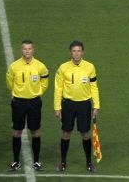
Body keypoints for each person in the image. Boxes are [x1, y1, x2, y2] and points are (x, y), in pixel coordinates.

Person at [54, 41, 100, 173]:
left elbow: (94, 87)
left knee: (85, 134)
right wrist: (57, 107)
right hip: (67, 105)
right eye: (74, 51)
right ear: (70, 52)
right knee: (66, 133)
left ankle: (89, 162)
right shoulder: (63, 68)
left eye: (79, 51)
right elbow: (58, 88)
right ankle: (63, 162)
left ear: (83, 52)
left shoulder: (90, 67)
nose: (76, 53)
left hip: (84, 105)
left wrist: (96, 106)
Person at [5, 40, 49, 172]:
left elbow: (45, 82)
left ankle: (36, 162)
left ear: (33, 50)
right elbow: (9, 83)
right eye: (25, 49)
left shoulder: (40, 66)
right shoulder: (14, 66)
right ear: (21, 50)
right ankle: (16, 161)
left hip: (34, 102)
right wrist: (18, 92)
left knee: (35, 131)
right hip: (18, 102)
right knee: (17, 131)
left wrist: (38, 92)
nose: (27, 51)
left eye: (29, 48)